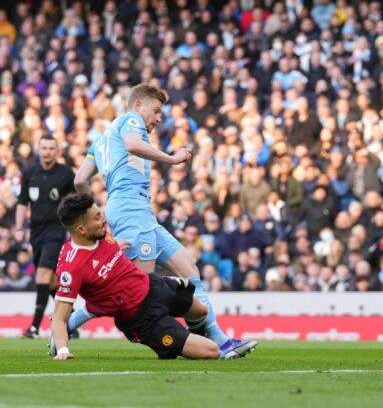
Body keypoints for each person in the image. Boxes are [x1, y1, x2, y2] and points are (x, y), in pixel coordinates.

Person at [70, 84, 250, 355]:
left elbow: (80, 179)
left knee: (188, 267)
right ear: (138, 105)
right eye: (155, 111)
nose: (157, 118)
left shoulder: (102, 138)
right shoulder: (131, 120)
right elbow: (132, 144)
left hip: (135, 211)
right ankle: (71, 320)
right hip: (131, 209)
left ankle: (220, 341)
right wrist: (172, 158)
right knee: (138, 289)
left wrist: (97, 212)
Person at [49, 193, 256, 360]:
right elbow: (58, 318)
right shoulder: (72, 267)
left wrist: (118, 247)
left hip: (153, 286)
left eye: (100, 212)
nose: (103, 218)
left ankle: (190, 340)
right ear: (81, 229)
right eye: (97, 217)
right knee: (212, 352)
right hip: (140, 318)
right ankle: (192, 344)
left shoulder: (100, 234)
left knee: (200, 310)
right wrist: (63, 351)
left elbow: (104, 254)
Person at [15, 135, 75, 338]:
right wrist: (18, 227)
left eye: (51, 148)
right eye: (44, 148)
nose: (47, 151)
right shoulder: (29, 172)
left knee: (42, 275)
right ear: (38, 149)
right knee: (49, 282)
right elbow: (23, 201)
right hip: (35, 231)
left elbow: (74, 203)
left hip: (56, 231)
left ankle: (34, 327)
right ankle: (72, 318)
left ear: (57, 150)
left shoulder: (66, 174)